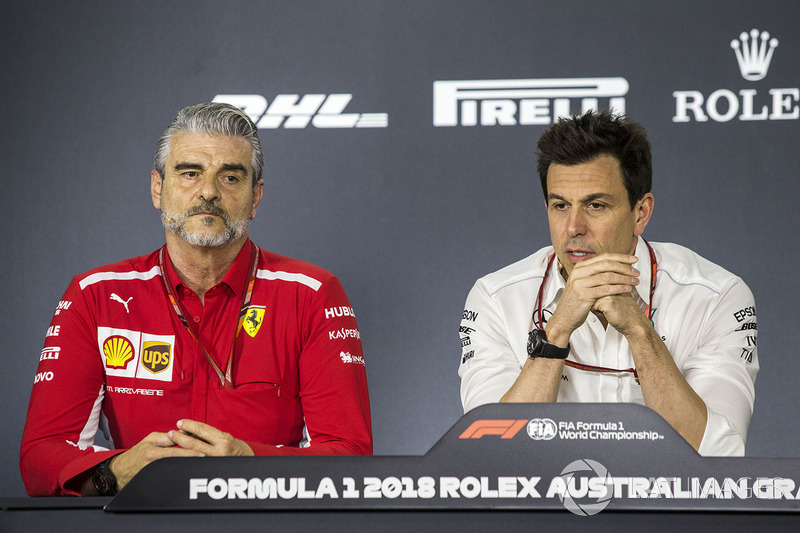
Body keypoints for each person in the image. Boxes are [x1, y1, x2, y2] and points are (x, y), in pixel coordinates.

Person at [20, 102, 372, 496]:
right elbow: (40, 457)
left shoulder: (312, 295)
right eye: (190, 173)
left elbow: (351, 457)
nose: (208, 191)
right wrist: (116, 471)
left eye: (231, 178)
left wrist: (251, 466)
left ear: (256, 197)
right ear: (158, 188)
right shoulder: (96, 296)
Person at [458, 110, 758, 456]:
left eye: (596, 205)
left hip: (666, 508)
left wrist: (637, 328)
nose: (573, 227)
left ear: (640, 212)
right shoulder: (495, 298)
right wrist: (556, 331)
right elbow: (490, 457)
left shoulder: (717, 297)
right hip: (542, 509)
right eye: (560, 206)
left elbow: (717, 457)